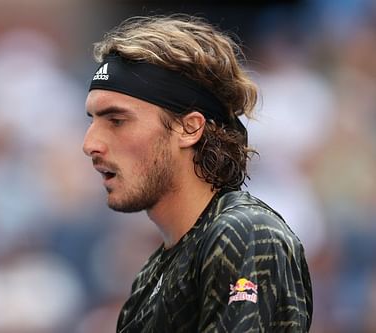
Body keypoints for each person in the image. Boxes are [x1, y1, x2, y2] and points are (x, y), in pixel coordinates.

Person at [82, 14, 312, 332]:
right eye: (91, 120)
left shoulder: (244, 233)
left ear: (189, 128)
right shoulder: (155, 270)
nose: (90, 143)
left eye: (116, 121)